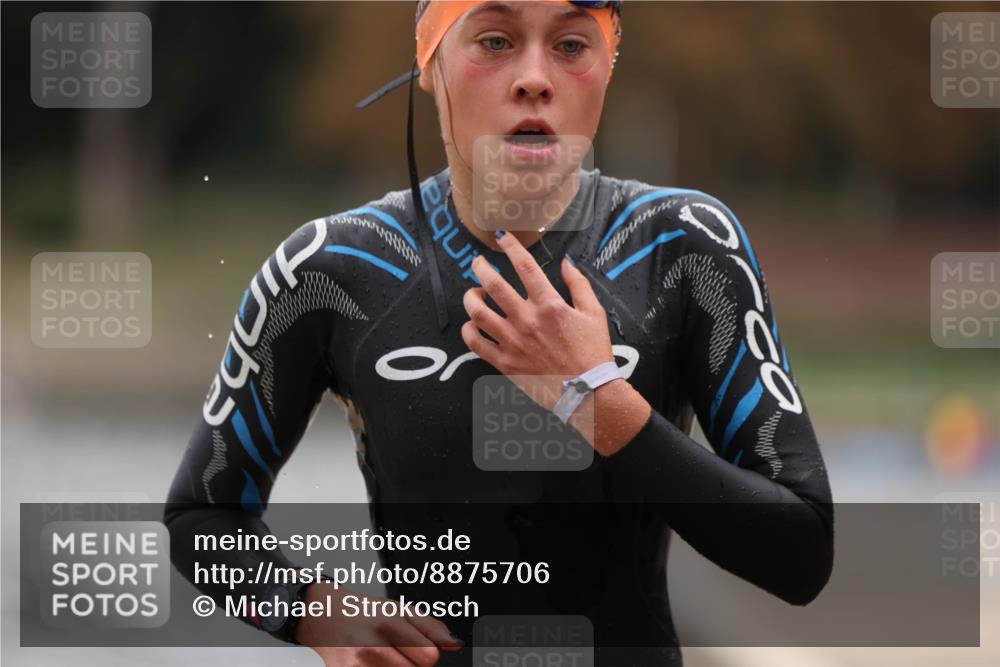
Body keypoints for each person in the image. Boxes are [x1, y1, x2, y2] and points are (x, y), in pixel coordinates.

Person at [165, 2, 834, 666]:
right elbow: (200, 516)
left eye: (572, 46)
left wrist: (601, 402)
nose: (535, 77)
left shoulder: (683, 249)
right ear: (430, 61)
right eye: (494, 40)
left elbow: (802, 551)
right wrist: (307, 607)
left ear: (608, 66)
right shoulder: (333, 269)